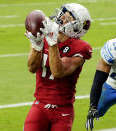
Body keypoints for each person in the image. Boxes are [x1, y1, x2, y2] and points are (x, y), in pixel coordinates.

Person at [24, 3, 92, 131]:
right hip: (40, 105)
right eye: (64, 13)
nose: (62, 17)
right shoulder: (43, 32)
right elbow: (31, 68)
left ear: (77, 27)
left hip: (63, 110)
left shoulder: (81, 48)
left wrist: (52, 43)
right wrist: (36, 47)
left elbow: (57, 72)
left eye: (69, 17)